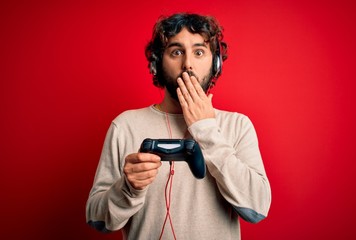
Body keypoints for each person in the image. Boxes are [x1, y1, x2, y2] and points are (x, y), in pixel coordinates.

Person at [86, 13, 271, 239]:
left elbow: (257, 209)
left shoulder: (238, 126)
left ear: (215, 63)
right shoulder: (125, 125)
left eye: (199, 52)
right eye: (176, 52)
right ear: (157, 63)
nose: (188, 64)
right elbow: (97, 220)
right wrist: (127, 189)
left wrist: (206, 129)